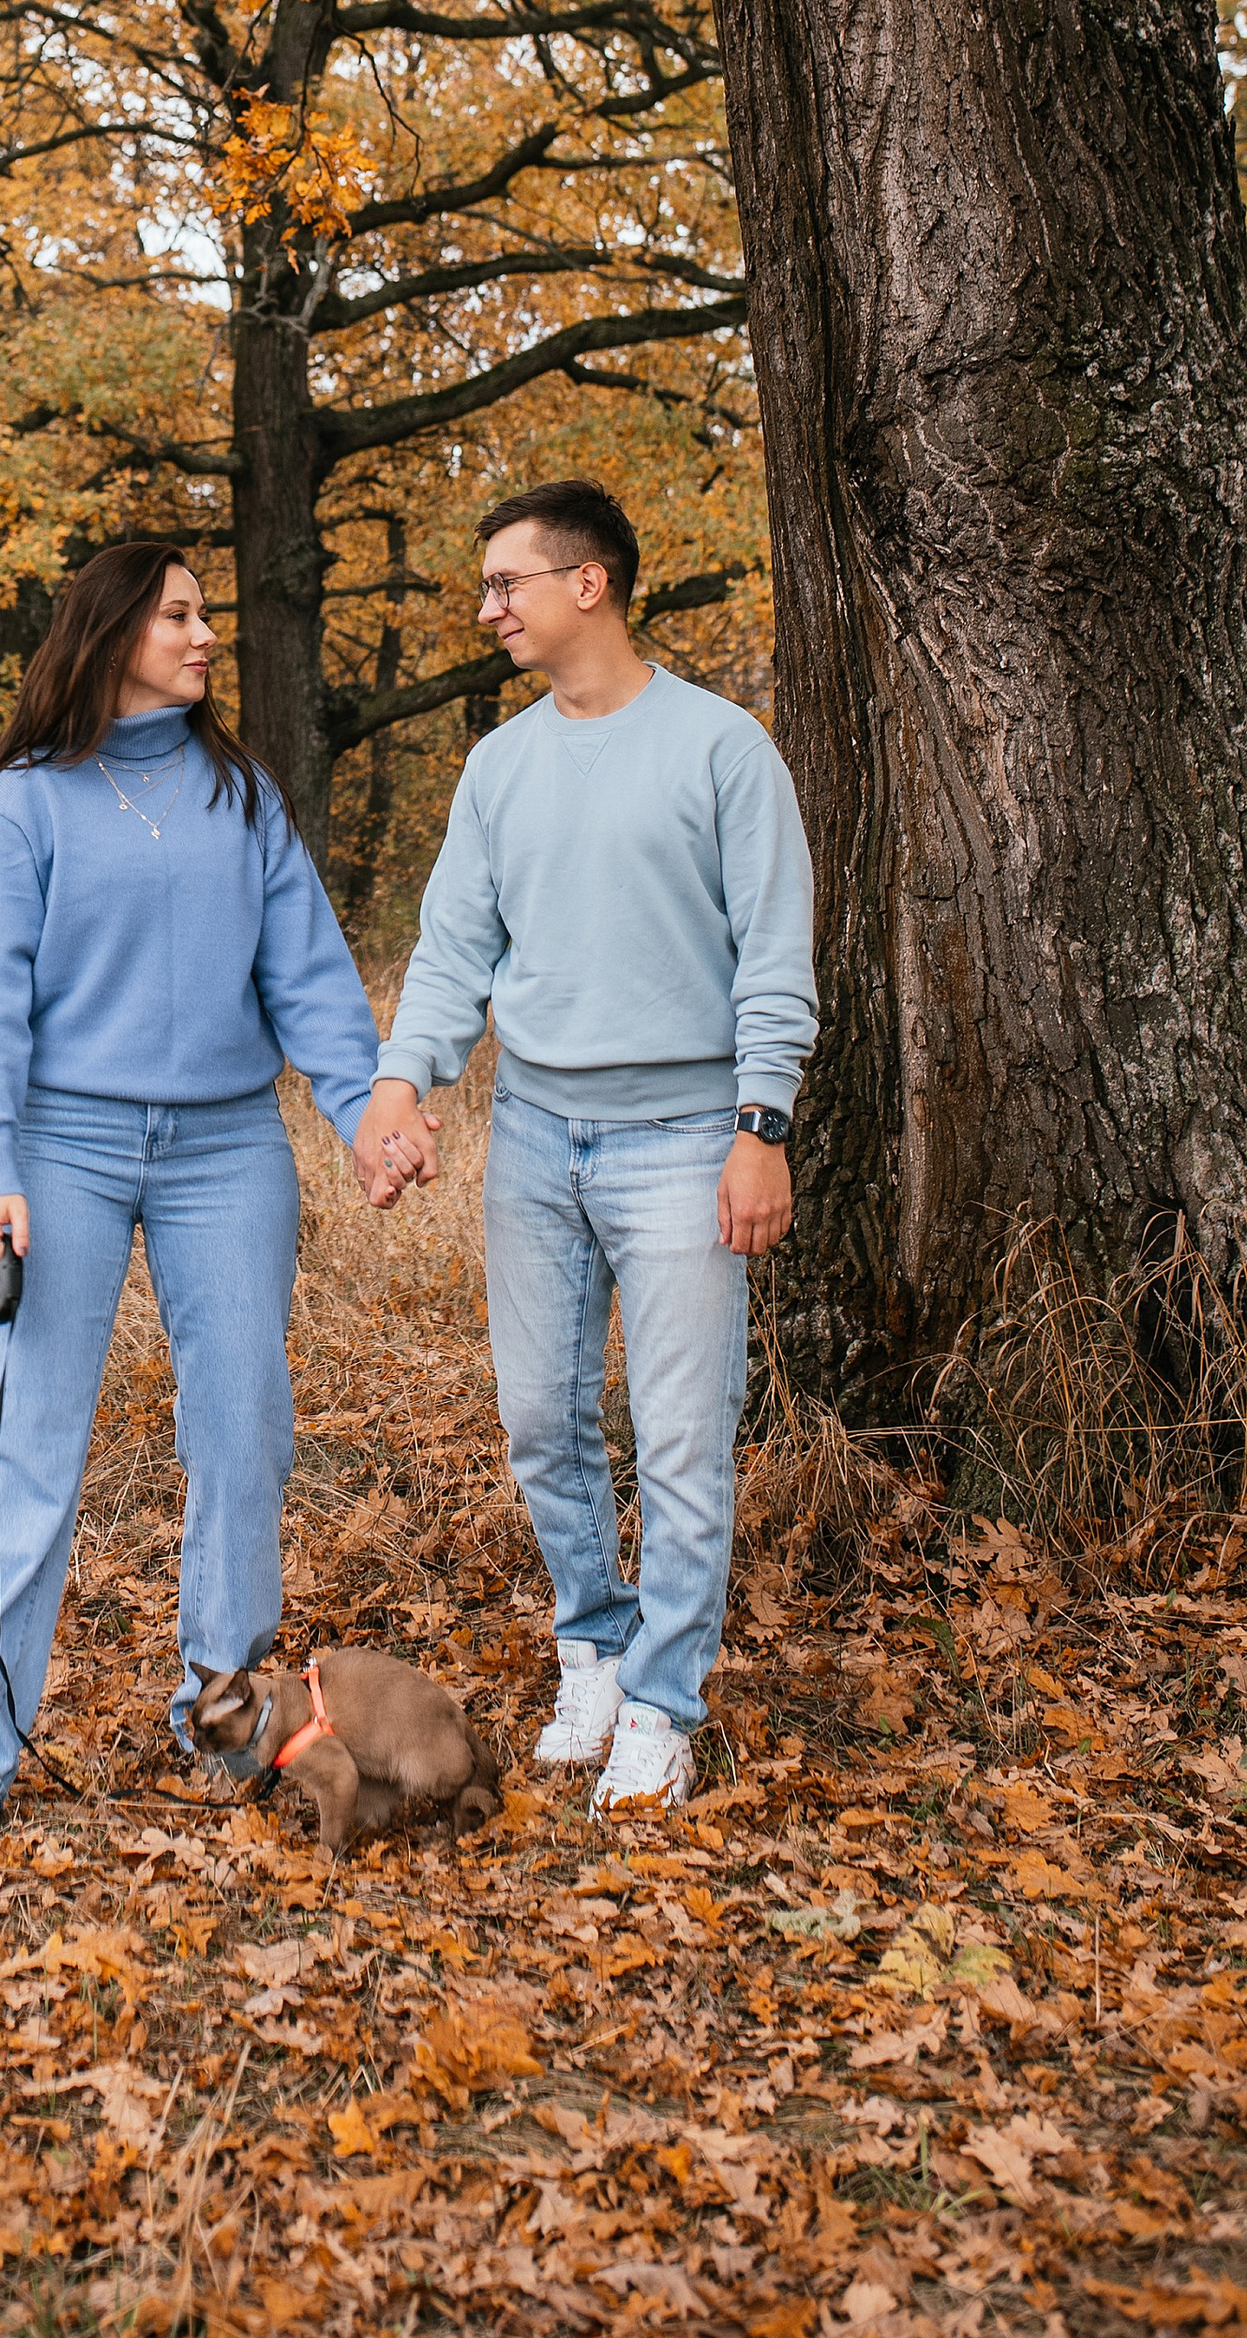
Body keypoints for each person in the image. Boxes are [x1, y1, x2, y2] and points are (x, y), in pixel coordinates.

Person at [0, 540, 382, 1846]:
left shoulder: (241, 795)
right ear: (112, 635)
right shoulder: (32, 803)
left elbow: (311, 976)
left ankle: (224, 1727)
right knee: (27, 1450)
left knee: (243, 1436)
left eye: (210, 610)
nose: (206, 632)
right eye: (179, 614)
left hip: (230, 1152)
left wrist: (361, 1110)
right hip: (65, 1147)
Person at [357, 480, 813, 1815]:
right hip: (540, 1134)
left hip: (686, 1138)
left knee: (681, 1436)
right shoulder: (501, 766)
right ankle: (597, 1651)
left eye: (508, 583)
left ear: (589, 585)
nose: (489, 607)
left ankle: (666, 1701)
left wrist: (760, 1129)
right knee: (545, 1422)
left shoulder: (725, 752)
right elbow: (454, 953)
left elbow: (775, 963)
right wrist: (401, 1080)